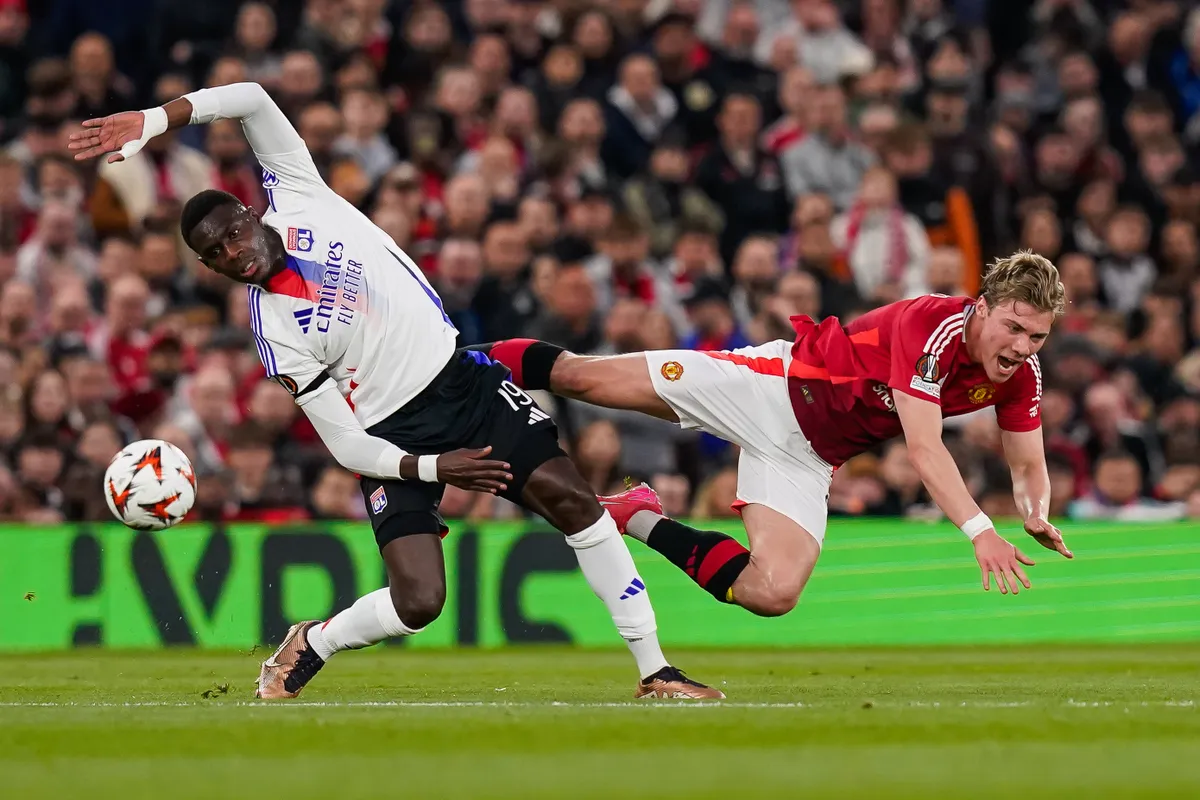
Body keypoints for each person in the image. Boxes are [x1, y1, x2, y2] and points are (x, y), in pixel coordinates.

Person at [69, 82, 720, 701]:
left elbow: (251, 99)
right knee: (419, 603)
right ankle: (315, 641)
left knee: (576, 503)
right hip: (395, 438)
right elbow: (349, 445)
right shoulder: (276, 336)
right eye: (214, 255)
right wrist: (436, 468)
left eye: (231, 234)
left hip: (464, 385)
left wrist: (153, 120)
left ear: (248, 213)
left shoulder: (298, 193)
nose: (232, 253)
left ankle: (654, 667)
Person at [479, 252, 1076, 617]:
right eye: (1014, 328)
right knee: (582, 377)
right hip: (771, 387)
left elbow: (1027, 463)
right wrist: (980, 532)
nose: (1022, 348)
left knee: (773, 593)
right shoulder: (932, 329)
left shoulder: (1020, 375)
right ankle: (448, 365)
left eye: (1037, 338)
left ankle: (634, 515)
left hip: (810, 456)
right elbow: (923, 447)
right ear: (981, 307)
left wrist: (1034, 513)